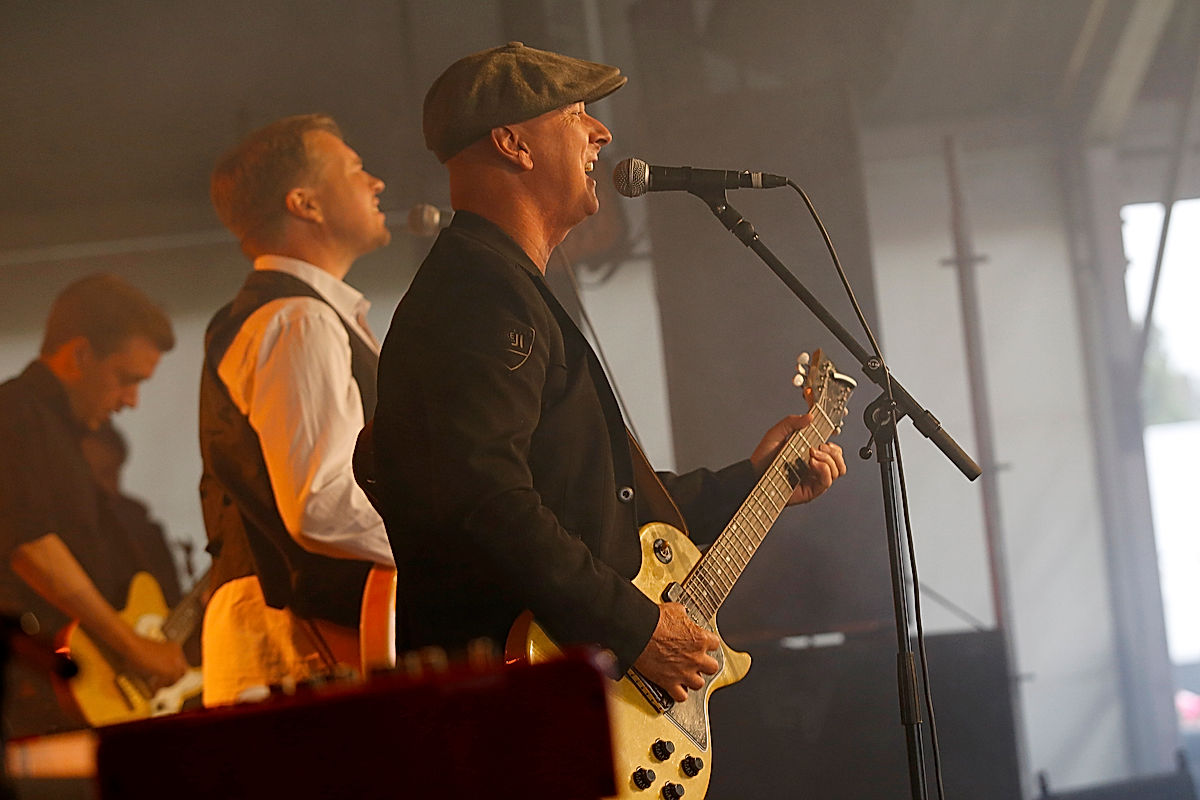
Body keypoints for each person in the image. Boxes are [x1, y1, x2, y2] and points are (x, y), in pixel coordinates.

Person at [368, 42, 847, 704]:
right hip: (515, 705)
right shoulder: (479, 296)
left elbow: (597, 510)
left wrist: (753, 484)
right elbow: (488, 498)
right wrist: (639, 628)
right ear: (514, 143)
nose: (603, 133)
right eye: (576, 115)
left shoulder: (500, 288)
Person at [199, 113, 394, 706]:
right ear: (305, 204)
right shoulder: (298, 320)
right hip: (294, 646)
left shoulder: (297, 315)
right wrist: (455, 543)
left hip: (302, 638)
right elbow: (323, 501)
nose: (376, 182)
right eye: (356, 169)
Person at [0, 273, 187, 737]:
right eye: (126, 380)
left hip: (68, 687)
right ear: (80, 355)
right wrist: (132, 646)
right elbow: (31, 544)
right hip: (34, 692)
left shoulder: (64, 436)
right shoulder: (15, 414)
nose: (132, 401)